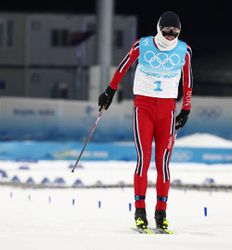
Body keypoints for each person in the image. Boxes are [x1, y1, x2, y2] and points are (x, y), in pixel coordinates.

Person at [98, 11, 193, 231]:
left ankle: (161, 213)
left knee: (163, 164)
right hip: (144, 107)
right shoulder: (143, 45)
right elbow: (123, 67)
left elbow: (188, 81)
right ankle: (140, 211)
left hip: (167, 110)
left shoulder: (184, 50)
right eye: (167, 30)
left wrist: (185, 109)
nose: (170, 35)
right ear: (159, 28)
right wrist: (110, 91)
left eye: (175, 31)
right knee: (144, 159)